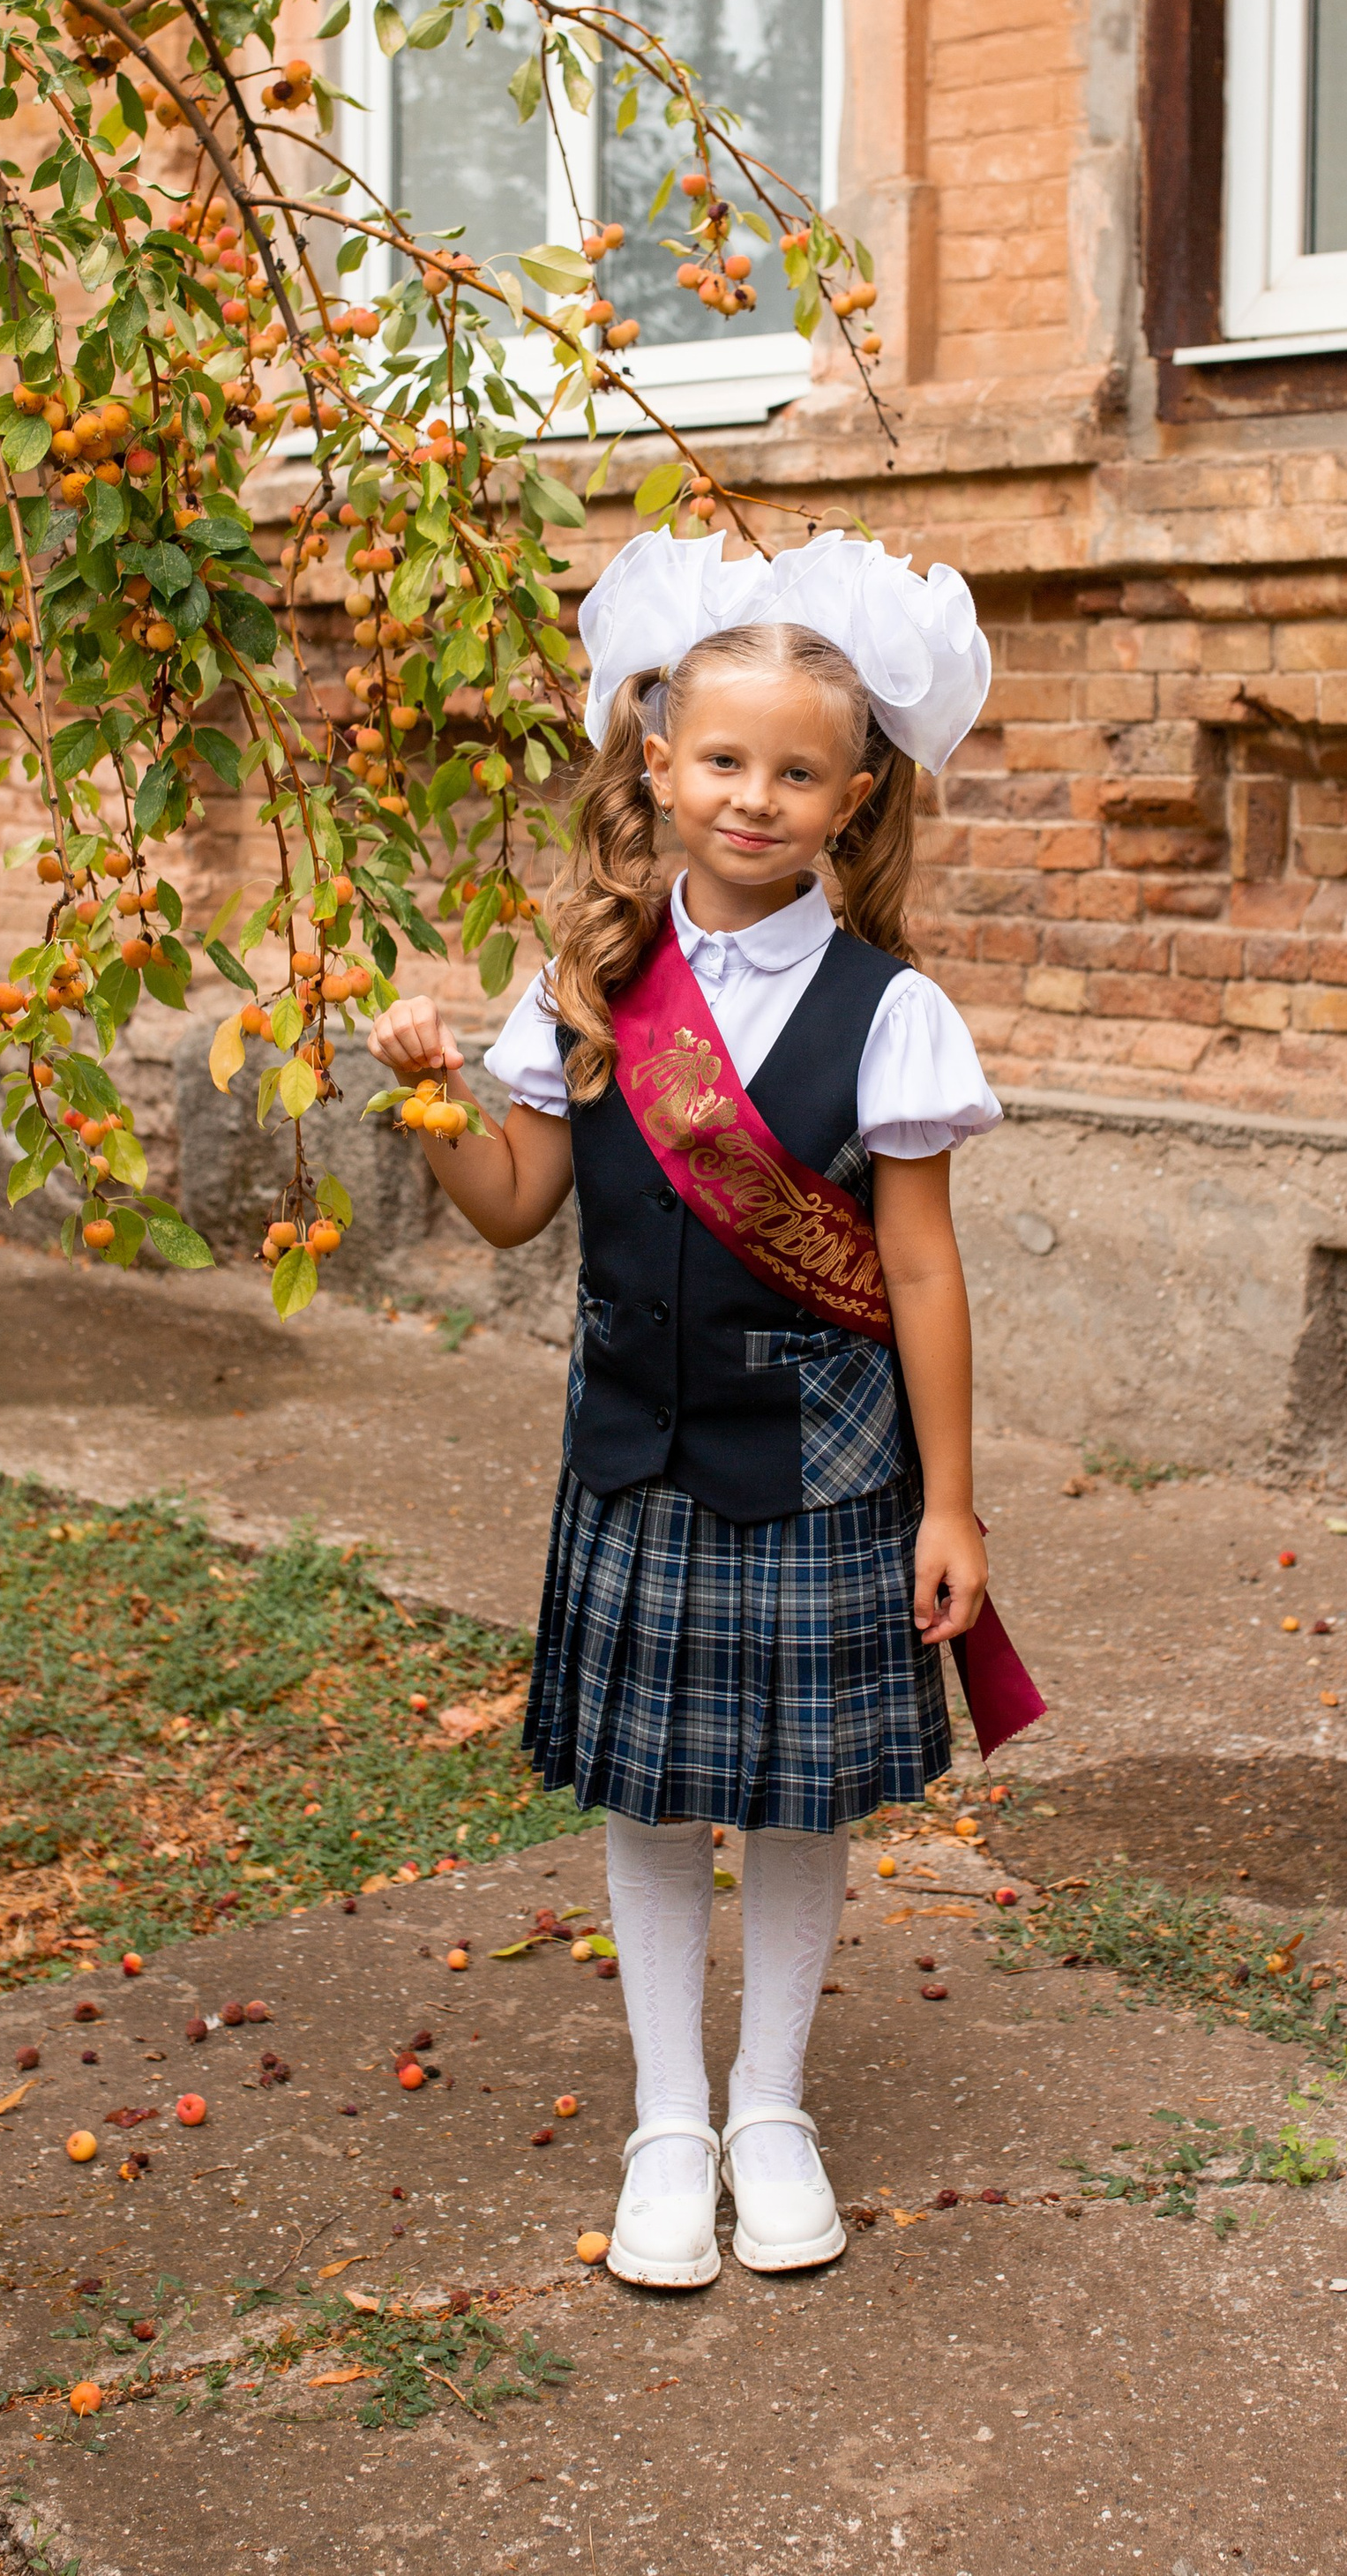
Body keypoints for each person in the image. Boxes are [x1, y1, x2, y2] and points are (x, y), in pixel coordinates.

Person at [365, 526, 1010, 2288]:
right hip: (634, 1456)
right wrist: (433, 1105)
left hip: (820, 1470)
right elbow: (512, 1205)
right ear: (656, 765)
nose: (751, 797)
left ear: (852, 798)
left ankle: (772, 2107)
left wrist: (949, 1504)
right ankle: (669, 2116)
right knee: (651, 1800)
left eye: (795, 771)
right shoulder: (583, 990)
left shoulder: (892, 1013)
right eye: (719, 760)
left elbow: (926, 1277)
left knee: (797, 1800)